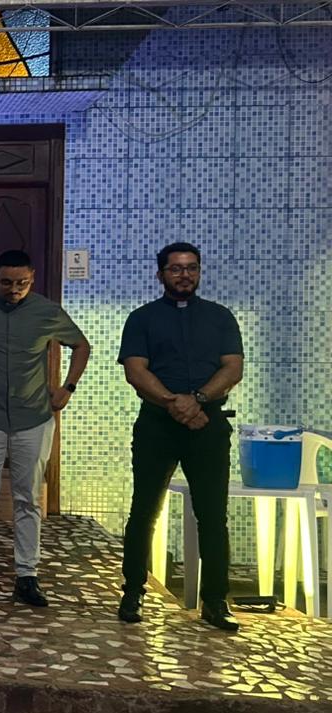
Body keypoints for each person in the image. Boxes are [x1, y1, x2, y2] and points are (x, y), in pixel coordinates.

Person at [0, 250, 91, 607]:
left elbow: (81, 345)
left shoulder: (47, 311)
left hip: (33, 418)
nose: (14, 290)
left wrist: (68, 387)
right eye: (6, 283)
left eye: (21, 283)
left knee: (28, 499)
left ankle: (27, 575)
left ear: (33, 278)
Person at [117, 242, 243, 631]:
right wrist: (174, 403)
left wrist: (198, 400)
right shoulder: (142, 318)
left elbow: (233, 368)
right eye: (176, 269)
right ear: (161, 275)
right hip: (157, 425)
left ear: (199, 272)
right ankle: (133, 591)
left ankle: (215, 601)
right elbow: (136, 371)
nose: (184, 275)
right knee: (144, 509)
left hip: (208, 425)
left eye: (191, 268)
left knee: (212, 515)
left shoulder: (220, 318)